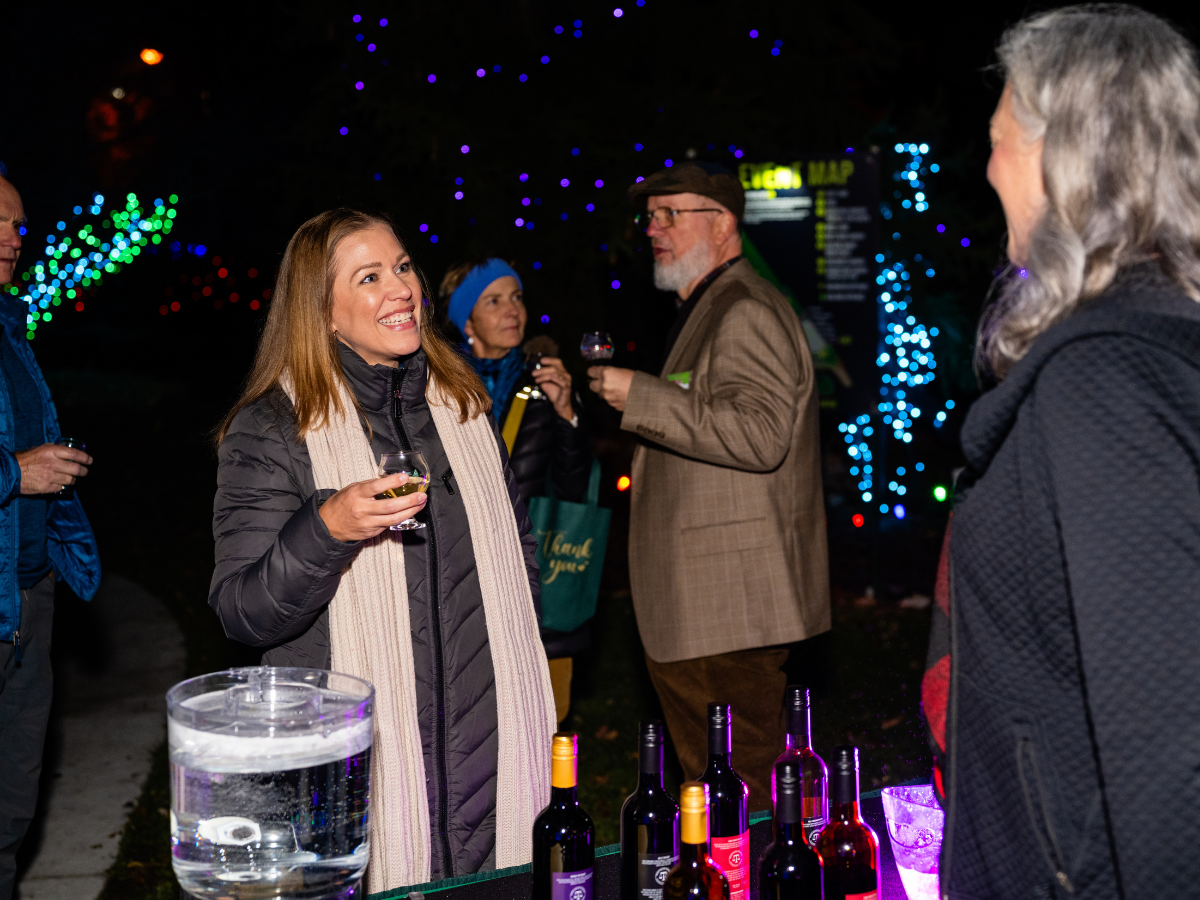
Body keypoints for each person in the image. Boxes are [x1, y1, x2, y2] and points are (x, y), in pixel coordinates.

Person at [920, 7, 1200, 897]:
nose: (990, 164)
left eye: (999, 136)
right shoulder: (1147, 348)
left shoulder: (1107, 380)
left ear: (1057, 154)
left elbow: (1168, 741)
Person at [210, 210, 556, 891]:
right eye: (369, 277)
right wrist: (327, 527)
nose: (400, 289)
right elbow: (241, 613)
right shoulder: (274, 429)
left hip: (494, 750)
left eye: (401, 267)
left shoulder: (461, 404)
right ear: (324, 314)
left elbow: (520, 557)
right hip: (355, 768)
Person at [589, 162, 830, 811]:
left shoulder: (744, 308)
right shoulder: (712, 306)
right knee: (725, 793)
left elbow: (759, 436)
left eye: (672, 214)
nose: (654, 230)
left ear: (723, 223)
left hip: (728, 611)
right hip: (707, 615)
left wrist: (640, 393)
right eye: (650, 217)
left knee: (744, 794)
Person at [0, 175, 100, 900]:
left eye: (19, 225)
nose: (13, 239)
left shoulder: (10, 325)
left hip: (27, 599)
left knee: (10, 807)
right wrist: (12, 473)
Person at [439, 258, 591, 725]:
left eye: (517, 297)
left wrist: (568, 416)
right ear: (467, 321)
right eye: (494, 300)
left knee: (540, 720)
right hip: (457, 577)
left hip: (530, 575)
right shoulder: (435, 388)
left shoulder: (543, 384)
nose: (513, 311)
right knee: (466, 721)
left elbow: (572, 489)